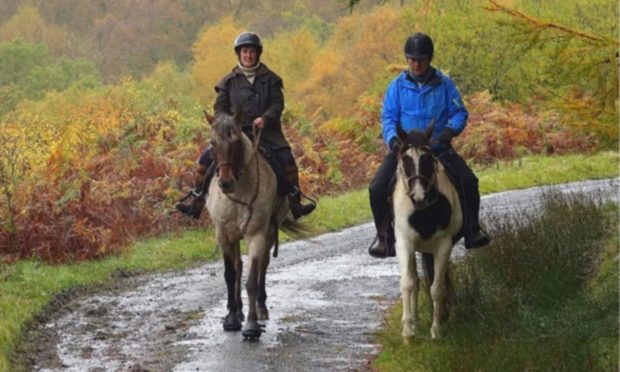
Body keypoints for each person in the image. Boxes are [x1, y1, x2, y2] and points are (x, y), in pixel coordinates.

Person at [368, 32, 490, 258]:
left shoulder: (445, 84)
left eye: (421, 59)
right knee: (376, 188)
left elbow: (459, 112)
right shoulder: (396, 87)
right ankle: (384, 236)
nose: (416, 63)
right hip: (404, 151)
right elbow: (388, 118)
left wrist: (449, 131)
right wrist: (393, 140)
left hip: (437, 149)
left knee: (469, 181)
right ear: (407, 60)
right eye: (412, 59)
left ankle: (473, 229)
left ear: (430, 59)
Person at [175, 31, 316, 220]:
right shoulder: (228, 81)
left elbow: (277, 104)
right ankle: (197, 201)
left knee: (286, 159)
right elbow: (219, 107)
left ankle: (295, 202)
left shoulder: (271, 79)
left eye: (251, 52)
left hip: (266, 132)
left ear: (257, 53)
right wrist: (228, 122)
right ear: (239, 54)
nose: (248, 55)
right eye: (244, 52)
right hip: (235, 132)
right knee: (204, 159)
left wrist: (265, 118)